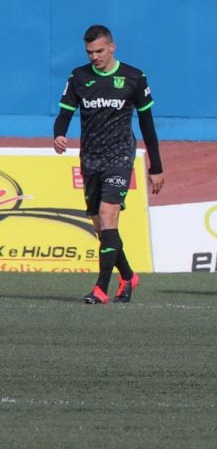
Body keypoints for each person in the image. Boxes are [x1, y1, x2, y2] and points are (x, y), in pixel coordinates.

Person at [54, 25, 165, 304]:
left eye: (100, 51)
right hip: (90, 158)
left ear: (112, 47)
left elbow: (148, 125)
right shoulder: (78, 77)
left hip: (119, 157)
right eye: (90, 52)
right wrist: (59, 134)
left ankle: (101, 288)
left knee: (108, 216)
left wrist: (156, 166)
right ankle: (127, 275)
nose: (95, 57)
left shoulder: (134, 77)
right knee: (101, 229)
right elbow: (65, 113)